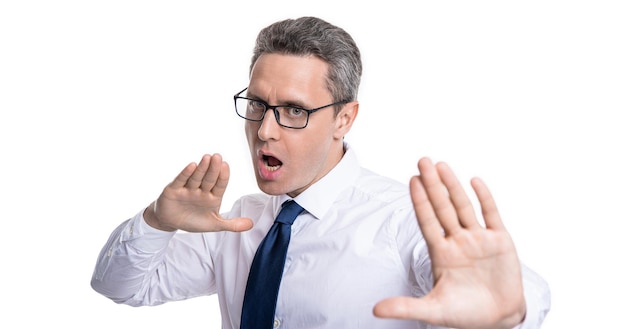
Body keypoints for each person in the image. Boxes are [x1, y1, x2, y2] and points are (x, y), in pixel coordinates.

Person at [91, 16, 551, 329]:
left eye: (293, 110)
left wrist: (509, 310)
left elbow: (498, 292)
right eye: (257, 105)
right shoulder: (236, 221)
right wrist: (157, 221)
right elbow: (121, 288)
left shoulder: (400, 220)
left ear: (345, 119)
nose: (264, 130)